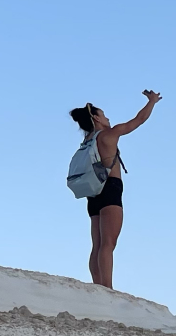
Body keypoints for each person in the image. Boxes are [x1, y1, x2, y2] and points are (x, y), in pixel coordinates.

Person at [68, 90, 162, 289]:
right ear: (96, 118)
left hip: (93, 193)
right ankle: (107, 288)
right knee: (108, 244)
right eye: (104, 114)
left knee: (98, 245)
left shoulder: (87, 141)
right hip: (110, 189)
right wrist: (152, 102)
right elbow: (138, 120)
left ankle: (97, 286)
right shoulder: (108, 135)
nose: (108, 118)